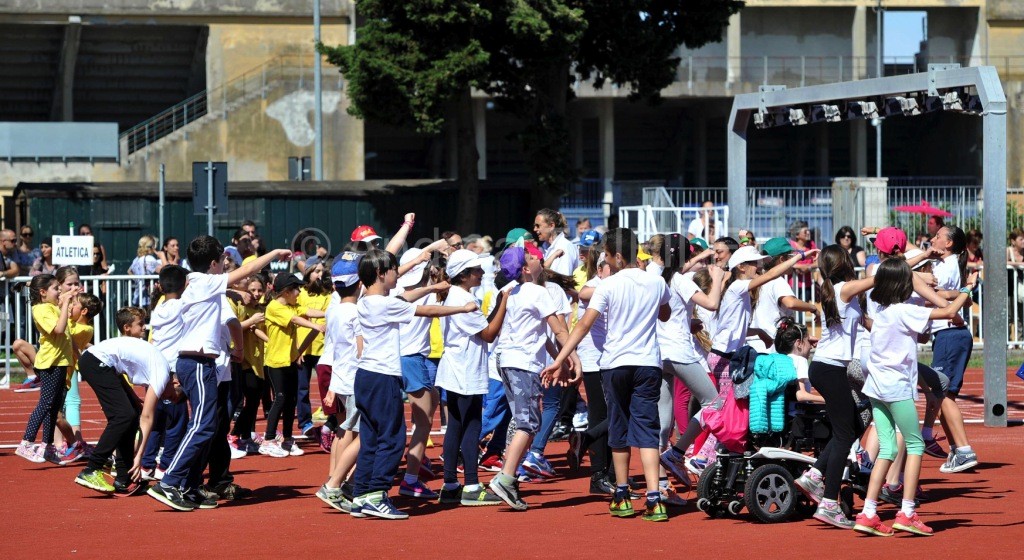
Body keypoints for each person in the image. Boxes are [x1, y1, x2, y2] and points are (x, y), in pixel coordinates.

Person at [147, 236, 289, 511]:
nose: (226, 265)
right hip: (197, 362)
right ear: (213, 264)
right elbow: (247, 270)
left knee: (208, 426)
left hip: (200, 362)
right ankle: (170, 481)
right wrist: (273, 252)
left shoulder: (197, 283)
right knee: (202, 426)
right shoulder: (204, 282)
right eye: (223, 260)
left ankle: (188, 486)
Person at [542, 228, 671, 522]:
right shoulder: (656, 281)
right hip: (648, 363)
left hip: (615, 363)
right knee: (648, 430)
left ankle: (622, 494)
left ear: (618, 256)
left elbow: (583, 325)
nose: (606, 261)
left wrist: (560, 359)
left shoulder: (608, 285)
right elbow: (665, 314)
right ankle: (654, 498)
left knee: (618, 427)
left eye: (608, 256)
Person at [349, 249, 476, 520]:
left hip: (365, 377)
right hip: (382, 377)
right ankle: (377, 494)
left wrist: (432, 287)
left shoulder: (367, 300)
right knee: (393, 438)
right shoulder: (384, 305)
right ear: (381, 273)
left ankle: (361, 494)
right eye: (394, 270)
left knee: (370, 438)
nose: (398, 274)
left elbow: (405, 297)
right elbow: (425, 309)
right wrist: (462, 308)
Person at [852, 258, 976, 537]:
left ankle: (869, 512)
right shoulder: (903, 310)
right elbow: (950, 311)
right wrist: (968, 288)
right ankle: (907, 512)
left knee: (887, 449)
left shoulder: (882, 311)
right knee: (915, 444)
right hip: (895, 387)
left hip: (876, 387)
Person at [487, 242, 577, 512]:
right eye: (532, 257)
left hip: (509, 361)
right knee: (528, 423)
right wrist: (573, 358)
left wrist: (559, 357)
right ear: (526, 269)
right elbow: (558, 331)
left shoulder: (512, 291)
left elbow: (542, 336)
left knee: (525, 421)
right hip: (523, 363)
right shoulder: (538, 292)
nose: (539, 258)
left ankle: (508, 477)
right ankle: (505, 478)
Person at [794, 245, 875, 529]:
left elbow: (865, 323)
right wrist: (910, 262)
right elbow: (879, 277)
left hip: (829, 367)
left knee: (853, 425)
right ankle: (829, 503)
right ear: (844, 263)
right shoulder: (844, 288)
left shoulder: (839, 292)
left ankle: (815, 474)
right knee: (844, 434)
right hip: (829, 369)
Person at [653, 234, 726, 504]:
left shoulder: (657, 276)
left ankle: (661, 486)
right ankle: (679, 451)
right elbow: (712, 304)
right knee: (715, 402)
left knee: (663, 424)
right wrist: (717, 279)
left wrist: (688, 323)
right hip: (678, 353)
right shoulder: (681, 280)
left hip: (658, 354)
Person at [73, 307, 175, 496]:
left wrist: (133, 397)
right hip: (95, 362)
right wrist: (139, 457)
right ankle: (92, 469)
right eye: (173, 396)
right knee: (123, 415)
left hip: (103, 364)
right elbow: (148, 418)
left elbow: (118, 366)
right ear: (175, 382)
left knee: (131, 413)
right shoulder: (162, 374)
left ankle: (123, 478)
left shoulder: (161, 369)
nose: (170, 399)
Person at [436, 249, 508, 506]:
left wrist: (497, 304)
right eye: (476, 270)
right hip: (465, 370)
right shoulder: (463, 298)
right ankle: (472, 485)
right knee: (472, 426)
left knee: (456, 426)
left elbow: (483, 326)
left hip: (456, 369)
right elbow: (488, 333)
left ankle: (450, 484)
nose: (481, 273)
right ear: (464, 275)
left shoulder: (456, 295)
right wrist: (504, 301)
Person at [315, 252, 364, 512]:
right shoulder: (357, 312)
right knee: (359, 432)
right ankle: (337, 483)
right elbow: (361, 350)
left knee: (345, 429)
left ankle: (335, 478)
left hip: (342, 375)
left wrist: (334, 385)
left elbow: (335, 348)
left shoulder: (334, 310)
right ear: (360, 283)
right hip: (355, 376)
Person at [15, 274, 80, 463]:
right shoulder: (40, 309)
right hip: (50, 363)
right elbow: (58, 329)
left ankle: (48, 446)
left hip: (60, 362)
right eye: (55, 288)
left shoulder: (51, 306)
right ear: (43, 292)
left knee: (53, 408)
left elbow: (66, 319)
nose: (59, 291)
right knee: (45, 404)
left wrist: (69, 296)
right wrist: (65, 302)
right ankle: (26, 443)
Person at [260, 273, 326, 458]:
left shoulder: (292, 305)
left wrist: (330, 313)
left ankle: (288, 439)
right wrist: (316, 327)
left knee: (291, 400)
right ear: (286, 292)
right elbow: (295, 319)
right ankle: (268, 440)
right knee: (280, 398)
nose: (299, 292)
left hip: (290, 360)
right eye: (296, 289)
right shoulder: (274, 307)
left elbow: (308, 311)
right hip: (276, 362)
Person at [141, 265, 190, 482]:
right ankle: (166, 464)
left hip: (155, 366)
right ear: (184, 285)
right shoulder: (183, 305)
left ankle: (147, 464)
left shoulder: (159, 307)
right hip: (172, 369)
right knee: (177, 421)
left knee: (156, 419)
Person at [746, 238, 819, 353]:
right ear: (782, 259)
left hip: (754, 344)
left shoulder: (758, 279)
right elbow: (791, 303)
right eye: (790, 257)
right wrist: (813, 308)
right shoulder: (778, 281)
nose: (792, 261)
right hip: (770, 346)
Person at [534, 209, 579, 276]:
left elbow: (564, 279)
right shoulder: (545, 247)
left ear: (551, 226)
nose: (534, 229)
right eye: (534, 226)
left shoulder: (564, 247)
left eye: (538, 226)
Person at [128, 234, 162, 307]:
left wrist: (138, 281)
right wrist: (163, 256)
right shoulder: (149, 259)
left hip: (137, 296)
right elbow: (165, 271)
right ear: (151, 247)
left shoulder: (136, 259)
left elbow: (129, 271)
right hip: (147, 298)